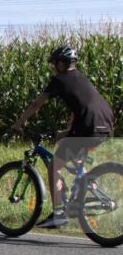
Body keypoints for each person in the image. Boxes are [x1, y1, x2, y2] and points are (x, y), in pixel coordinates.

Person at [11, 45, 115, 228]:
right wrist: (66, 132)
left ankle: (59, 213)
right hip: (104, 124)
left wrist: (20, 123)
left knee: (53, 167)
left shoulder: (59, 80)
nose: (53, 67)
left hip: (87, 127)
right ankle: (80, 192)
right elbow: (81, 107)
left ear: (61, 64)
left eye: (54, 63)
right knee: (72, 156)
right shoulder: (81, 78)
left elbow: (37, 103)